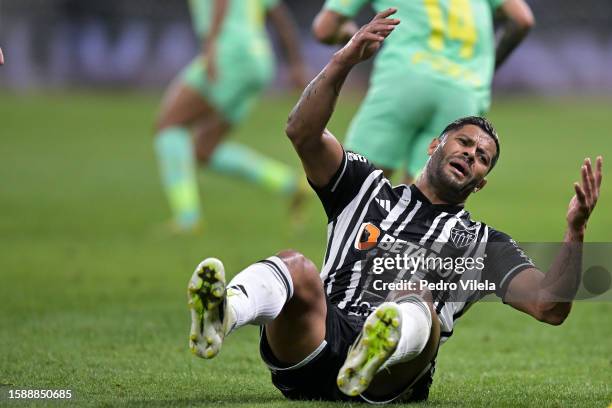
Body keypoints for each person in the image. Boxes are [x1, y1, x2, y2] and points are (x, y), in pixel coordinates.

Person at [186, 10, 603, 403]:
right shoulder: (363, 187)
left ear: (481, 184)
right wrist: (344, 60)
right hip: (317, 344)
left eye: (482, 158)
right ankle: (223, 314)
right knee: (294, 264)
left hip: (393, 377)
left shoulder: (483, 246)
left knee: (418, 297)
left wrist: (576, 229)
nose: (472, 155)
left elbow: (551, 306)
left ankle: (379, 346)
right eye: (464, 143)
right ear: (434, 145)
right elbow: (302, 132)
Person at [312, 0, 534, 183]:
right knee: (424, 203)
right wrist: (485, 69)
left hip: (405, 80)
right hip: (463, 91)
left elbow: (324, 28)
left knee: (355, 187)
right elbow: (522, 19)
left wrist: (349, 32)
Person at [154, 0, 307, 232]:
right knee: (205, 149)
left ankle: (187, 219)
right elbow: (279, 15)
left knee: (169, 124)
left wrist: (211, 45)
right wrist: (296, 63)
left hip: (230, 54)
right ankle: (289, 184)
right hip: (258, 61)